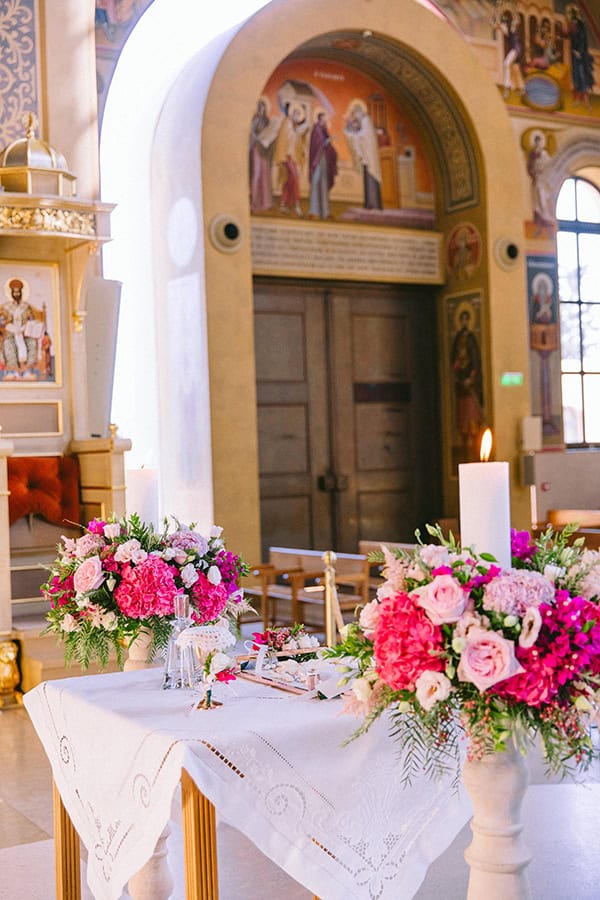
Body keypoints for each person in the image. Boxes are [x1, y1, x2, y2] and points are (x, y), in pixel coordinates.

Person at [451, 308, 483, 451]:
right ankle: (464, 446)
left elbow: (475, 359)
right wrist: (456, 369)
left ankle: (474, 445)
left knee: (472, 414)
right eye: (462, 319)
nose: (464, 322)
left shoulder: (471, 338)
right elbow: (453, 358)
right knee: (462, 416)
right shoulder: (458, 337)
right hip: (460, 382)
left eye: (466, 319)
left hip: (470, 382)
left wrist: (471, 377)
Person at [344, 102, 383, 210]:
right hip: (367, 157)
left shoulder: (366, 121)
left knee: (371, 179)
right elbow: (360, 135)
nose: (355, 116)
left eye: (356, 113)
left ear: (360, 111)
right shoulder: (364, 121)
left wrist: (353, 134)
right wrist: (352, 131)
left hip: (370, 157)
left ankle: (373, 205)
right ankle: (369, 204)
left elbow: (363, 136)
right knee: (368, 180)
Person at [274, 103, 309, 216]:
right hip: (286, 157)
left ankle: (284, 204)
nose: (297, 115)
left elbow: (299, 143)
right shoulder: (287, 124)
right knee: (294, 179)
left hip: (293, 158)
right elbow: (283, 139)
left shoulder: (297, 127)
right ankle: (297, 205)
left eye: (298, 114)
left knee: (288, 181)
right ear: (291, 113)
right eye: (295, 113)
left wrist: (302, 136)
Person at [1, 278, 39, 375]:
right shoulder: (6, 307)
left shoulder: (26, 306)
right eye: (15, 292)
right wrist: (10, 327)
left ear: (21, 293)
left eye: (18, 292)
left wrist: (25, 328)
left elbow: (31, 319)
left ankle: (28, 369)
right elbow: (2, 320)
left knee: (32, 343)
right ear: (12, 293)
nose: (17, 294)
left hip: (25, 332)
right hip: (10, 332)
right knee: (8, 343)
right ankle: (13, 371)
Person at [249, 99, 280, 213]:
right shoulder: (255, 119)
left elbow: (271, 132)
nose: (262, 109)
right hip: (257, 148)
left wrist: (272, 136)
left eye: (263, 107)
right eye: (260, 107)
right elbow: (251, 132)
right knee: (257, 175)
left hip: (265, 150)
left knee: (265, 175)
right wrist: (258, 138)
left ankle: (267, 203)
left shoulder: (267, 120)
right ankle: (254, 203)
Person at [308, 111, 338, 219]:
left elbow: (327, 145)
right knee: (316, 183)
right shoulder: (316, 129)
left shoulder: (324, 130)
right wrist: (330, 139)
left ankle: (325, 212)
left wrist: (332, 151)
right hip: (317, 161)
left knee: (324, 184)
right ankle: (313, 211)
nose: (326, 121)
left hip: (324, 160)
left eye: (326, 119)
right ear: (320, 119)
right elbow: (319, 143)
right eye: (325, 119)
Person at [527, 132, 554, 236]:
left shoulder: (544, 153)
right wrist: (533, 171)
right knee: (536, 200)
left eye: (539, 141)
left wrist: (540, 168)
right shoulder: (532, 153)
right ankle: (538, 223)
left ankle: (545, 219)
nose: (537, 143)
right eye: (536, 141)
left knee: (542, 198)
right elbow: (530, 165)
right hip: (536, 178)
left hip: (542, 178)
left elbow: (548, 164)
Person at [493, 11, 525, 99]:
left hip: (516, 50)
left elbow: (498, 25)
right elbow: (496, 26)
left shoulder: (511, 28)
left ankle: (507, 88)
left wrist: (497, 21)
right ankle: (522, 89)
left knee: (506, 64)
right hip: (517, 51)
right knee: (516, 70)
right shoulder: (509, 28)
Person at [568, 5, 594, 108]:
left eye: (570, 13)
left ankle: (586, 101)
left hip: (581, 56)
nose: (569, 15)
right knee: (576, 77)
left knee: (582, 77)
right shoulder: (573, 25)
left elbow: (583, 39)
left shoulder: (580, 24)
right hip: (575, 55)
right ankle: (578, 99)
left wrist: (579, 51)